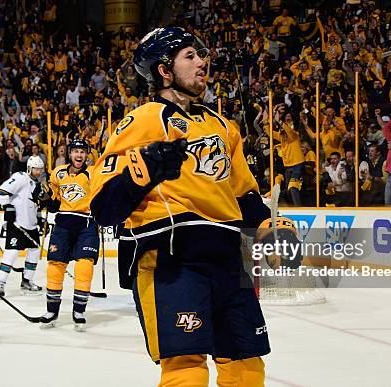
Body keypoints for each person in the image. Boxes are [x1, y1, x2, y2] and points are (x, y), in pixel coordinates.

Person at [89, 27, 293, 386]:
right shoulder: (145, 119)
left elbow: (244, 194)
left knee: (247, 367)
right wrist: (140, 177)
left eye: (201, 55)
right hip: (171, 257)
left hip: (228, 258)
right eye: (190, 56)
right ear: (165, 71)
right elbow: (103, 207)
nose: (203, 62)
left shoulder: (222, 125)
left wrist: (269, 225)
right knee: (186, 371)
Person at [38, 139, 99, 331]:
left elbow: (101, 196)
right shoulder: (58, 173)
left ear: (87, 154)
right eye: (75, 152)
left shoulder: (93, 173)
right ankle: (51, 311)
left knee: (84, 265)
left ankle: (79, 311)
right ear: (69, 154)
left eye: (82, 152)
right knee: (55, 266)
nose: (79, 155)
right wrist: (45, 197)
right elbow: (55, 203)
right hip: (63, 223)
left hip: (86, 223)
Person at [0, 155, 45, 296]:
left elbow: (35, 204)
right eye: (36, 169)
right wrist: (8, 207)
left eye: (40, 169)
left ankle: (27, 281)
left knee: (34, 252)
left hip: (31, 225)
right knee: (12, 253)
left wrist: (39, 219)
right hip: (17, 224)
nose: (39, 172)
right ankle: (0, 283)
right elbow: (1, 192)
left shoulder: (37, 184)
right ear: (29, 168)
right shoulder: (21, 177)